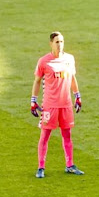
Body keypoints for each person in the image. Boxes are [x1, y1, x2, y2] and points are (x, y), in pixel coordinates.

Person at [31, 31, 84, 178]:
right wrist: (33, 100)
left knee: (67, 135)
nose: (60, 45)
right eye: (57, 42)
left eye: (61, 42)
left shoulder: (69, 59)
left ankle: (70, 165)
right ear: (51, 43)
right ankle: (41, 167)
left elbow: (72, 78)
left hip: (66, 105)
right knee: (45, 135)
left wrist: (77, 96)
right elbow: (36, 81)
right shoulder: (44, 61)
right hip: (50, 105)